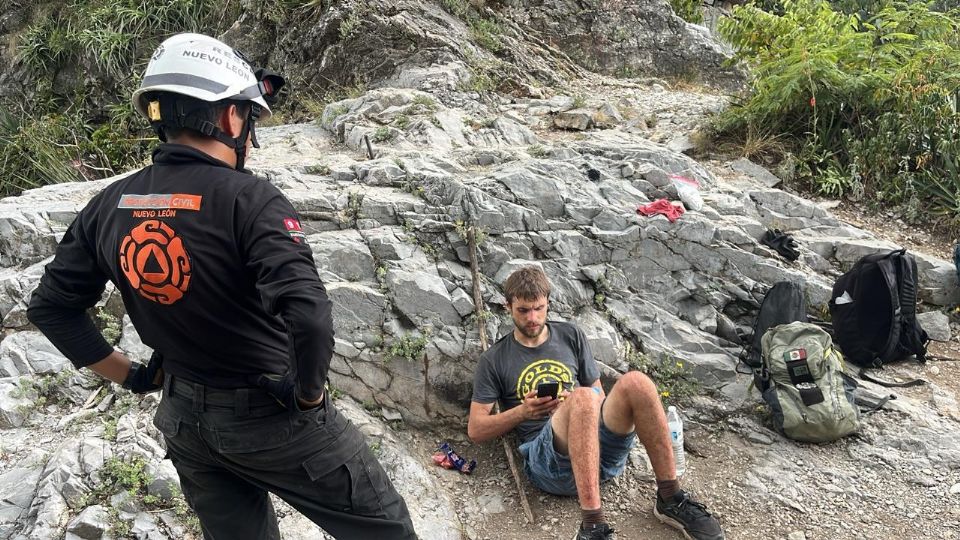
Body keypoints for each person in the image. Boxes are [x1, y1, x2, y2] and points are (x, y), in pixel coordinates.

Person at [27, 33, 416, 540]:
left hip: (186, 424)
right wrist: (307, 398)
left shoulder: (111, 202)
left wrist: (137, 378)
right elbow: (309, 314)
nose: (250, 138)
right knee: (387, 529)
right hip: (272, 417)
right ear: (232, 118)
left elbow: (52, 309)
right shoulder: (250, 199)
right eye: (250, 122)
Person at [468, 266, 724, 540]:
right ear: (508, 307)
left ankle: (671, 497)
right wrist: (524, 411)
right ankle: (592, 526)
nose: (533, 318)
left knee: (637, 382)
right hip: (549, 465)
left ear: (548, 305)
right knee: (581, 397)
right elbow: (476, 430)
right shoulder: (495, 359)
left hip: (598, 454)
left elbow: (598, 395)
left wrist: (578, 408)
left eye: (539, 308)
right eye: (524, 310)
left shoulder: (570, 335)